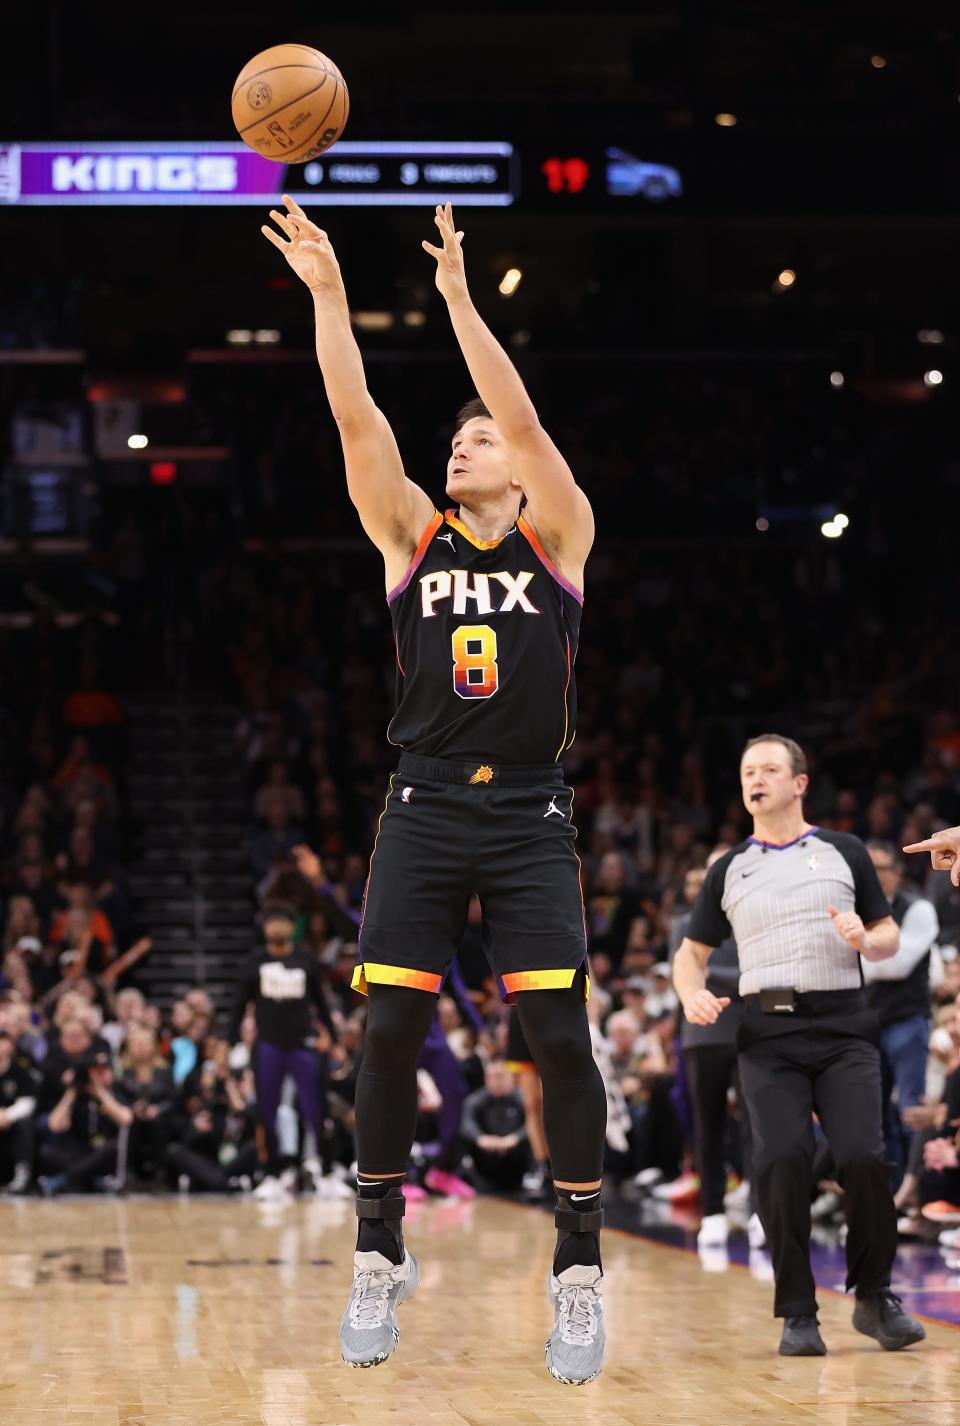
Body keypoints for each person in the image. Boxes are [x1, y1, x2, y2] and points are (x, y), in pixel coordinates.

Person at [262, 195, 606, 1383]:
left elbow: (514, 407)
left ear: (518, 466)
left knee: (558, 1031)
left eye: (479, 441)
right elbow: (354, 412)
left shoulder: (559, 534)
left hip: (528, 813)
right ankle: (377, 1248)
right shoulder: (409, 531)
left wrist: (459, 299)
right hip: (421, 808)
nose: (463, 444)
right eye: (454, 439)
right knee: (389, 1028)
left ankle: (577, 1270)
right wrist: (327, 298)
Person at [673, 734, 926, 1357]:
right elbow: (690, 953)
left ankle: (873, 1297)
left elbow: (889, 932)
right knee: (781, 1159)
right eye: (746, 771)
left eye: (768, 770)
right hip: (768, 1033)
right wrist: (690, 995)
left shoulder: (844, 851)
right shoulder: (729, 867)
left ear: (799, 783)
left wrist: (867, 940)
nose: (754, 779)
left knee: (864, 1156)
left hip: (844, 1023)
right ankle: (797, 1311)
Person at [229, 905, 338, 1200]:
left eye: (282, 922)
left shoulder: (305, 960)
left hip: (302, 1044)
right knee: (267, 1110)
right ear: (264, 928)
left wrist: (334, 1035)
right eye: (271, 922)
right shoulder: (254, 962)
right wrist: (232, 1042)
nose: (276, 927)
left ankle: (327, 1170)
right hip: (268, 1045)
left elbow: (321, 1002)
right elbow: (239, 1006)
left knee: (317, 1108)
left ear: (292, 927)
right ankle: (272, 1173)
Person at [863, 842, 938, 1180]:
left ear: (896, 872)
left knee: (912, 1111)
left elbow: (898, 965)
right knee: (875, 1115)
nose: (873, 876)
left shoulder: (918, 908)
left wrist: (861, 951)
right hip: (871, 1023)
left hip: (908, 1021)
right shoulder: (860, 911)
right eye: (868, 868)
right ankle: (889, 1194)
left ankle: (921, 1193)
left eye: (879, 868)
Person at [461, 1060, 529, 1189]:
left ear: (512, 1077)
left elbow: (533, 1124)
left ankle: (535, 1178)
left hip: (518, 1163)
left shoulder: (523, 1099)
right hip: (485, 1163)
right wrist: (480, 1138)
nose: (494, 1082)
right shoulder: (475, 1101)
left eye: (499, 1076)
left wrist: (514, 1138)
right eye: (490, 1077)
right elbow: (466, 1123)